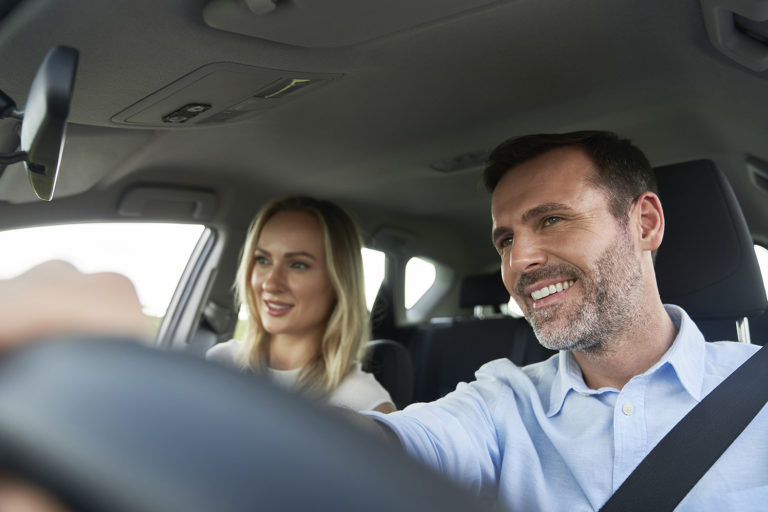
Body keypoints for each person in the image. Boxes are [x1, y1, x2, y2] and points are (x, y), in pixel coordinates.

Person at [363, 131, 767, 511]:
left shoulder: (757, 391)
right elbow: (391, 445)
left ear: (645, 223)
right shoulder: (503, 403)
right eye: (505, 240)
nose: (517, 261)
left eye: (552, 220)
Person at [206, 196, 395, 413]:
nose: (271, 283)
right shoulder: (220, 362)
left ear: (338, 281)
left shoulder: (365, 403)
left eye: (298, 265)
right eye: (262, 260)